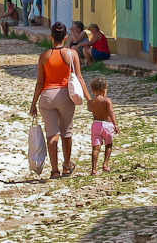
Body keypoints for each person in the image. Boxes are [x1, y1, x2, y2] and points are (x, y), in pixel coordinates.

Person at [30, 22, 92, 179]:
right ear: (66, 37)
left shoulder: (44, 56)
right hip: (65, 96)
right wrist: (89, 98)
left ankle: (54, 170)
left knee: (52, 134)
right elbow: (79, 77)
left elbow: (40, 82)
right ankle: (66, 165)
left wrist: (33, 103)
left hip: (47, 97)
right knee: (66, 132)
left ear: (51, 37)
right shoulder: (72, 54)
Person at [87, 76, 120, 175]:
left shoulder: (91, 102)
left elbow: (90, 110)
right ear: (104, 89)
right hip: (107, 125)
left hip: (96, 125)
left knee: (95, 148)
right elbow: (111, 113)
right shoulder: (107, 101)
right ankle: (105, 164)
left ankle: (94, 169)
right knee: (108, 144)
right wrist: (116, 125)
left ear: (93, 90)